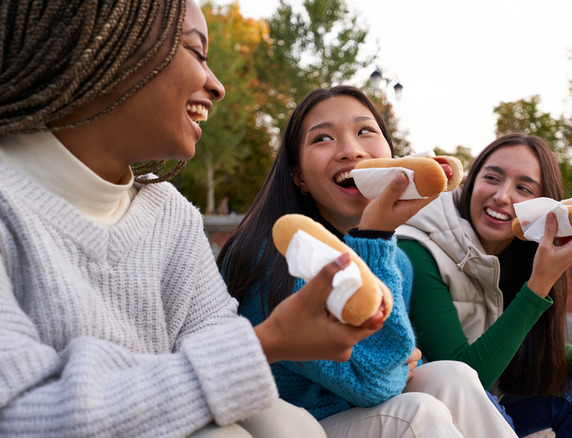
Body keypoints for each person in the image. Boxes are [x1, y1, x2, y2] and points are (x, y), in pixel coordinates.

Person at [0, 1, 386, 437]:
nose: (217, 86)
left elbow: (216, 344)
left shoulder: (168, 214)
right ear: (101, 42)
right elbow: (19, 419)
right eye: (196, 53)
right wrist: (271, 341)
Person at [217, 85, 518, 437]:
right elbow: (376, 382)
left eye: (365, 131)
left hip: (357, 412)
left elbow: (395, 359)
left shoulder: (396, 258)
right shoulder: (281, 255)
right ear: (298, 175)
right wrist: (373, 236)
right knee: (416, 412)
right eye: (322, 138)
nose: (350, 150)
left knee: (454, 375)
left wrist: (377, 241)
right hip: (290, 425)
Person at [397, 133, 572, 437]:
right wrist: (539, 285)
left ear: (544, 205)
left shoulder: (517, 249)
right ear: (470, 180)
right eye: (492, 177)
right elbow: (464, 380)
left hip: (479, 403)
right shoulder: (417, 247)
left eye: (523, 188)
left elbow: (516, 343)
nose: (502, 196)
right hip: (425, 416)